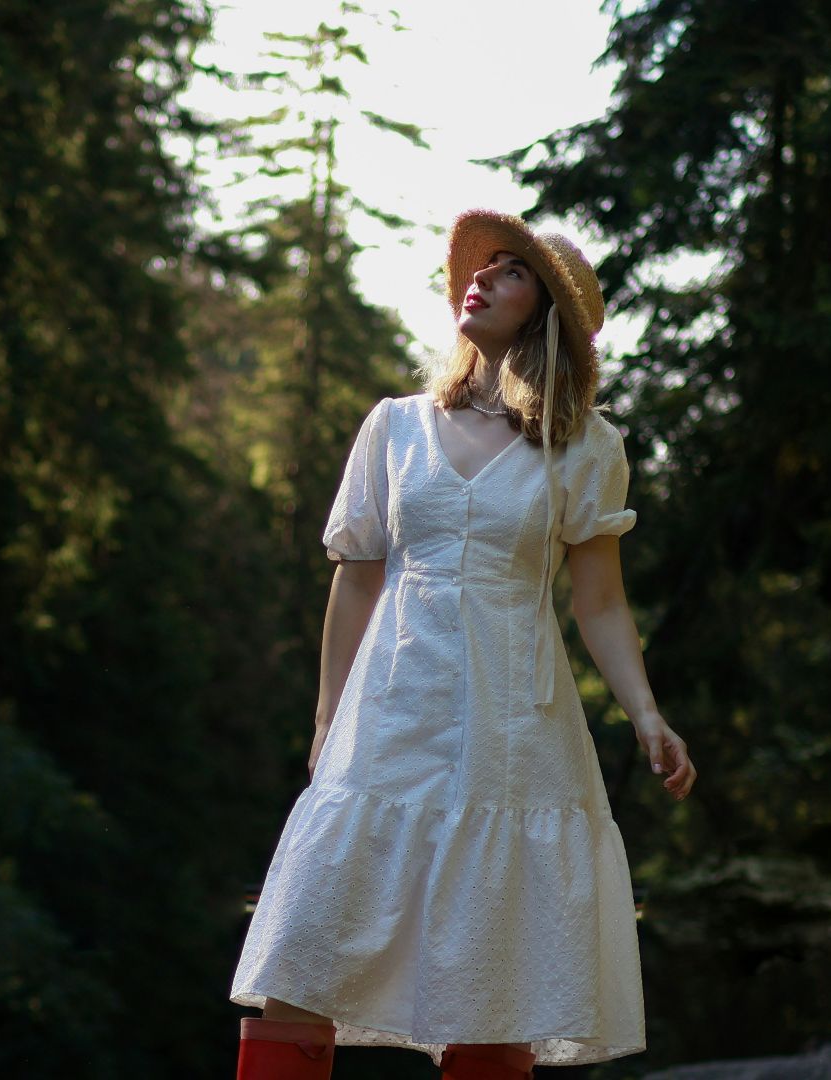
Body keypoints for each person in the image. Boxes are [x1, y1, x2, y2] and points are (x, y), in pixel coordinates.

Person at [228, 209, 698, 1079]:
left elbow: (598, 603)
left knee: (493, 989)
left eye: (512, 272)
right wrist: (328, 719)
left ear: (546, 316)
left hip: (515, 732)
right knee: (300, 959)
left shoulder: (587, 448)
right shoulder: (395, 427)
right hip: (390, 713)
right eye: (483, 267)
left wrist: (646, 713)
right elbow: (359, 574)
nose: (480, 279)